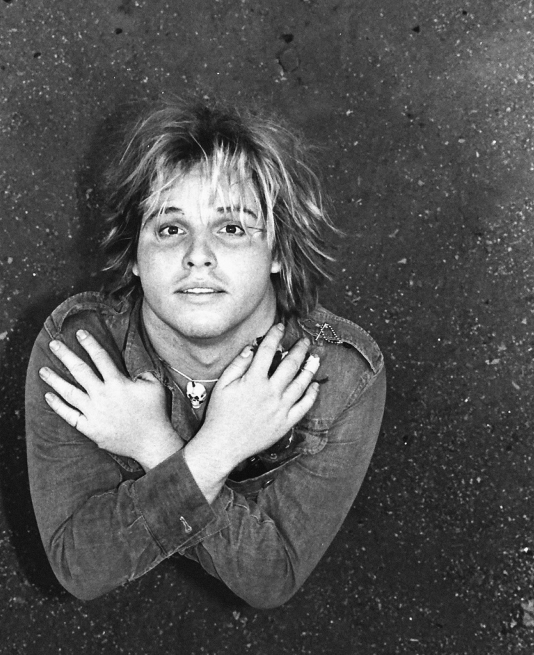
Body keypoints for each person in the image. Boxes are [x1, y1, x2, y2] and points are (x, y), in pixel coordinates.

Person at [25, 97, 386, 609]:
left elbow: (271, 578)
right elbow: (80, 568)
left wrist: (153, 445)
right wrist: (214, 455)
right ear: (134, 255)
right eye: (170, 229)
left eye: (231, 228)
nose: (198, 255)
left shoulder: (341, 373)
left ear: (278, 251)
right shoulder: (80, 347)